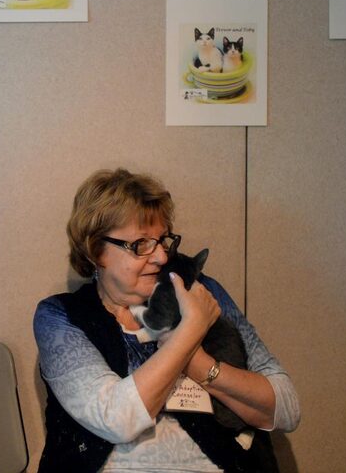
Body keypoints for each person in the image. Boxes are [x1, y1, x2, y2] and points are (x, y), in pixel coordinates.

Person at [33, 168, 300, 472]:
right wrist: (192, 330)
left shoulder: (200, 291)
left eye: (163, 241)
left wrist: (201, 364)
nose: (161, 257)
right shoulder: (60, 316)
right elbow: (116, 419)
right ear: (96, 251)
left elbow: (285, 408)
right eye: (141, 244)